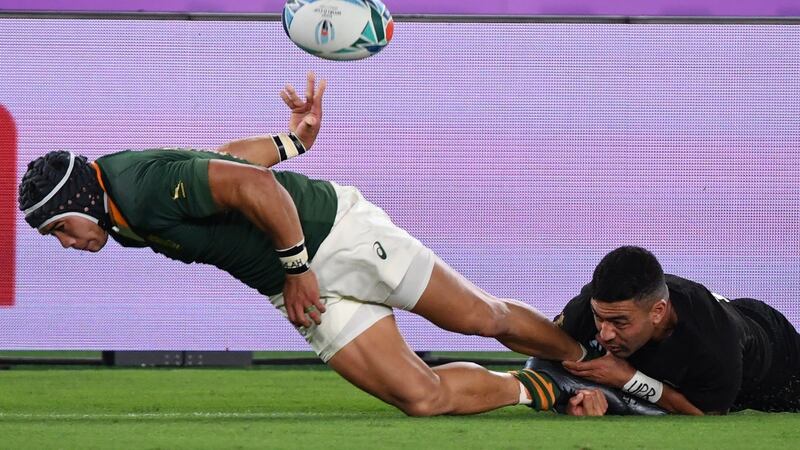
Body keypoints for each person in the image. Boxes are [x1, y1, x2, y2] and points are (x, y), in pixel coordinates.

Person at [19, 72, 600, 416]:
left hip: (331, 236)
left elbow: (249, 184)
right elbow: (220, 165)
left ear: (84, 203)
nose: (66, 243)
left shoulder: (137, 192)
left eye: (61, 228)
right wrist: (290, 141)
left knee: (480, 317)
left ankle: (591, 363)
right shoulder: (115, 199)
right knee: (420, 399)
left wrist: (296, 266)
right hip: (293, 281)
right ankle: (544, 387)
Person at [550, 245, 800, 415]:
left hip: (778, 356)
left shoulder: (713, 344)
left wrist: (630, 379)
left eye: (619, 323)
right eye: (599, 318)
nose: (605, 334)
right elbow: (544, 348)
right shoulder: (598, 304)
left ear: (658, 312)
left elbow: (704, 416)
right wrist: (567, 401)